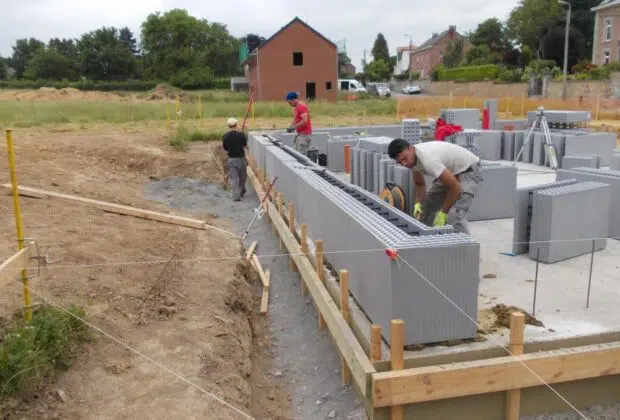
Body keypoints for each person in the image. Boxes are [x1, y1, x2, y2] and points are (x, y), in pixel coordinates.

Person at [387, 138, 483, 234]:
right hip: (450, 171)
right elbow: (420, 185)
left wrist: (443, 212)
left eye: (404, 158)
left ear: (411, 148)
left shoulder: (429, 160)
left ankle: (465, 247)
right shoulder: (412, 160)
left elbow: (455, 188)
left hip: (468, 169)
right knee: (425, 209)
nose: (404, 164)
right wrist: (418, 204)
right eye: (400, 162)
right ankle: (427, 240)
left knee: (454, 216)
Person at [222, 117, 247, 202]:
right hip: (241, 159)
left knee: (234, 178)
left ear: (228, 126)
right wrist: (241, 132)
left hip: (232, 159)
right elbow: (244, 144)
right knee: (242, 177)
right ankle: (242, 190)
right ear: (236, 125)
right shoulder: (241, 135)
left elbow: (225, 148)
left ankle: (236, 196)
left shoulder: (225, 136)